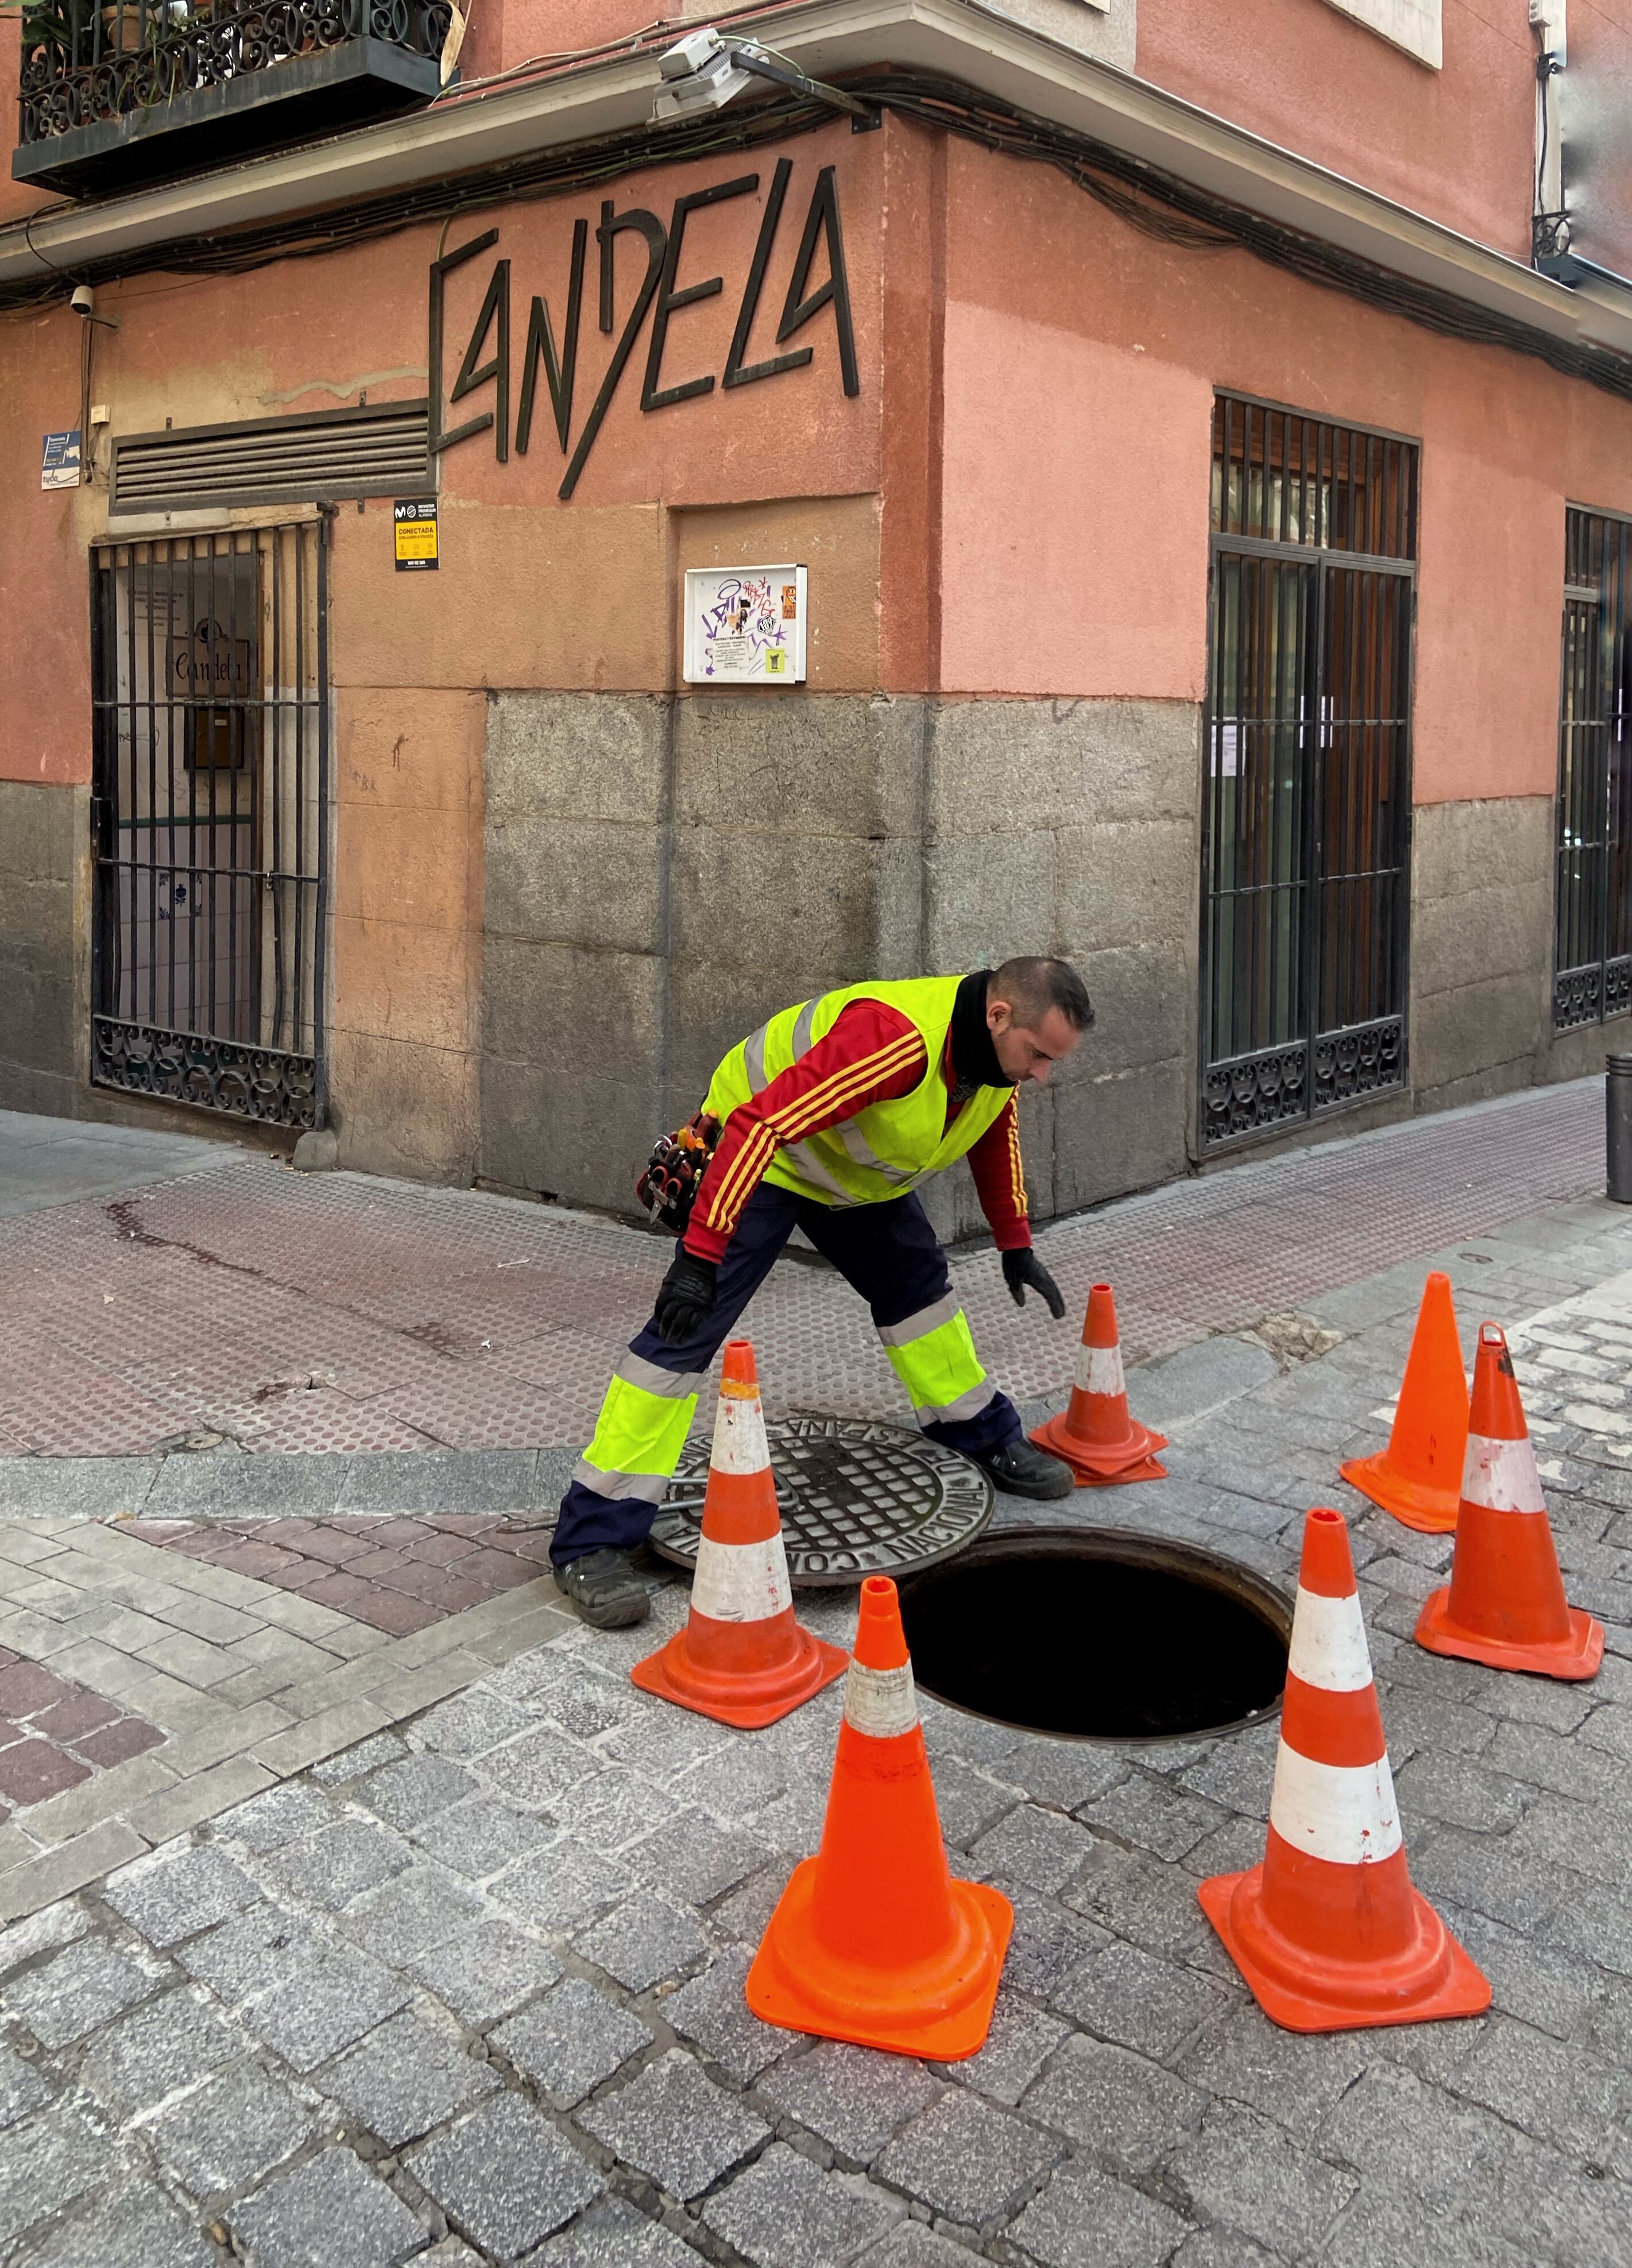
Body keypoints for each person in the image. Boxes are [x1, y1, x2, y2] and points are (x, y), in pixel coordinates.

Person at [552, 957, 1093, 1628]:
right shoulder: (894, 1041)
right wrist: (699, 1258)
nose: (1040, 1074)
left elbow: (993, 1125)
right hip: (763, 1160)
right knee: (684, 1328)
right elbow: (761, 1127)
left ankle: (979, 1433)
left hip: (849, 1176)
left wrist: (1015, 1238)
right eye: (1038, 1055)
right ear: (999, 1015)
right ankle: (591, 1539)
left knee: (919, 1295)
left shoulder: (992, 1059)